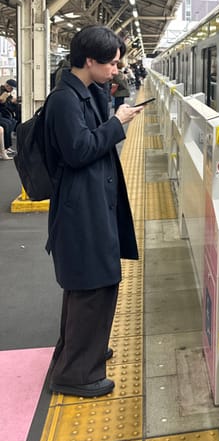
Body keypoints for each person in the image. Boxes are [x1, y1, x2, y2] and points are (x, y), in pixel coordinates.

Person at [44, 25, 145, 397]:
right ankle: (77, 374)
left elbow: (89, 136)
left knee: (90, 284)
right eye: (112, 64)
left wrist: (111, 108)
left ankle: (80, 352)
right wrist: (118, 124)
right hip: (80, 209)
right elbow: (78, 150)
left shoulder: (82, 91)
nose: (117, 70)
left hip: (89, 203)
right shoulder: (64, 101)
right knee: (91, 285)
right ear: (90, 61)